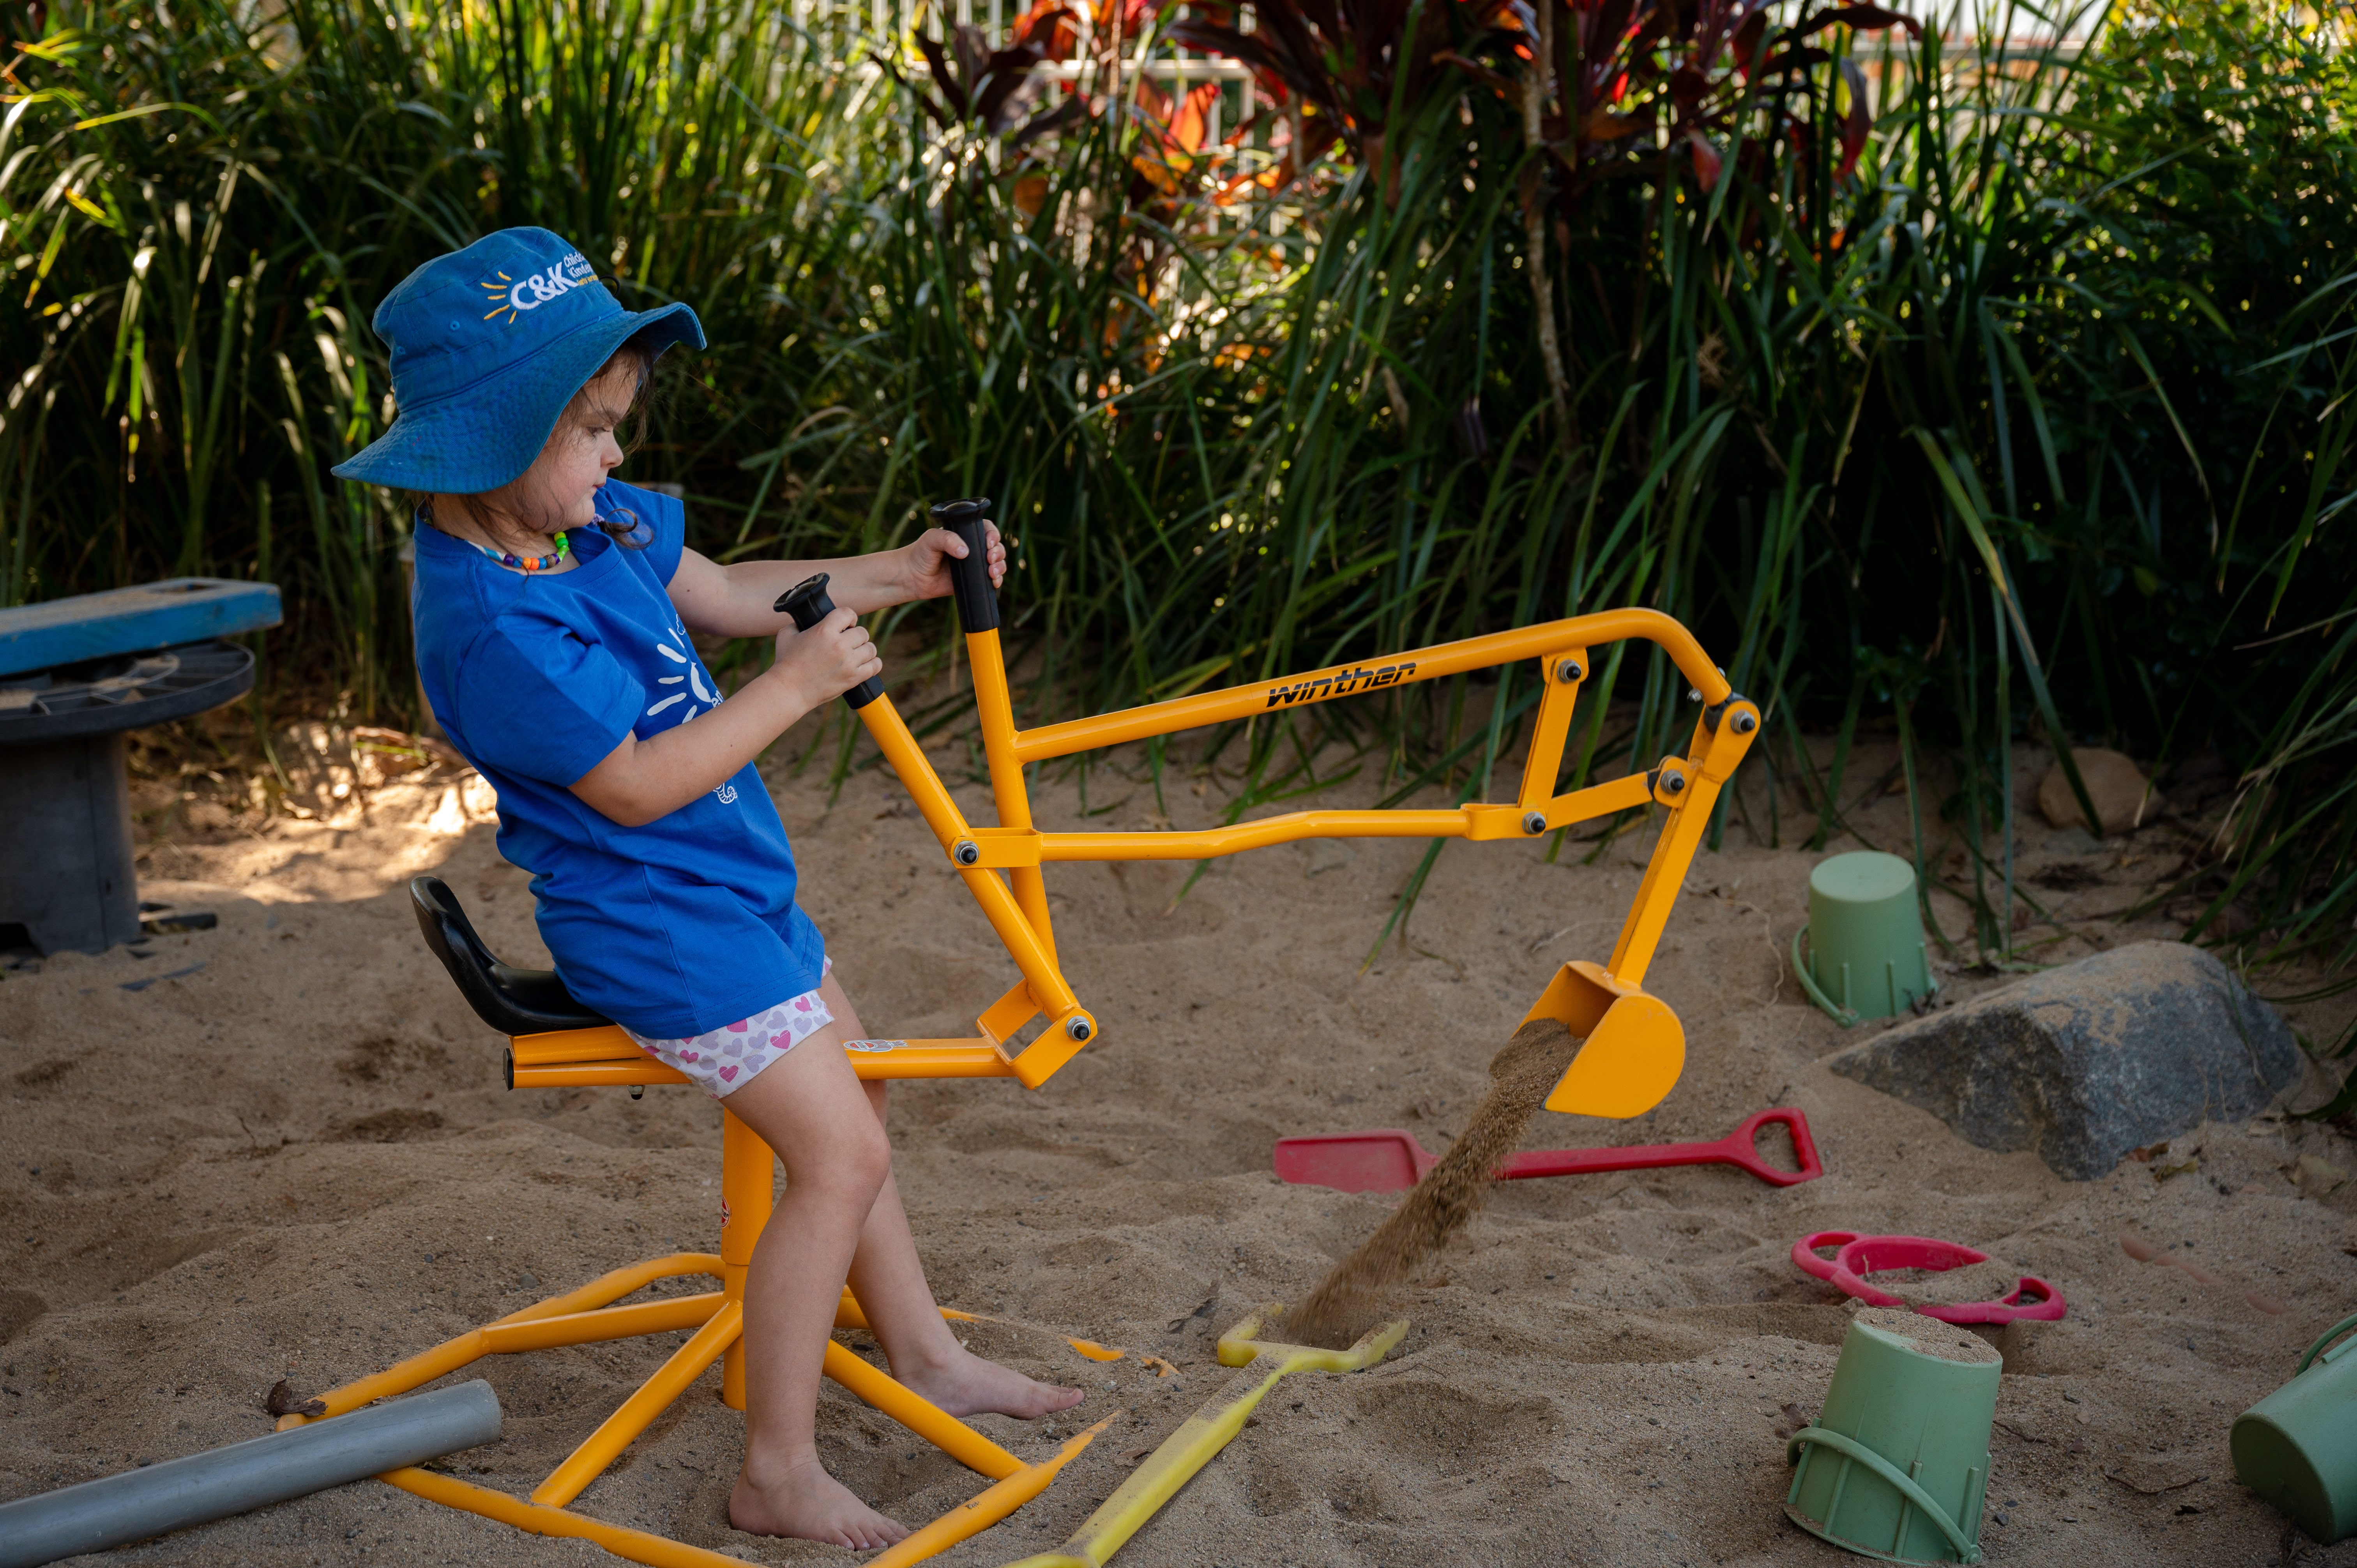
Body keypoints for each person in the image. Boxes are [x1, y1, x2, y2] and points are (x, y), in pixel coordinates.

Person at [333, 227, 1081, 1549]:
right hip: (660, 929)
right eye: (598, 431)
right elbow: (629, 790)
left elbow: (734, 591)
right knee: (838, 1154)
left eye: (620, 425)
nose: (619, 454)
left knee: (861, 1099)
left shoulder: (586, 523)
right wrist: (795, 689)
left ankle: (923, 1353)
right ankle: (776, 1473)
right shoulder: (491, 625)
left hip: (727, 890)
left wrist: (902, 574)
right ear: (499, 441)